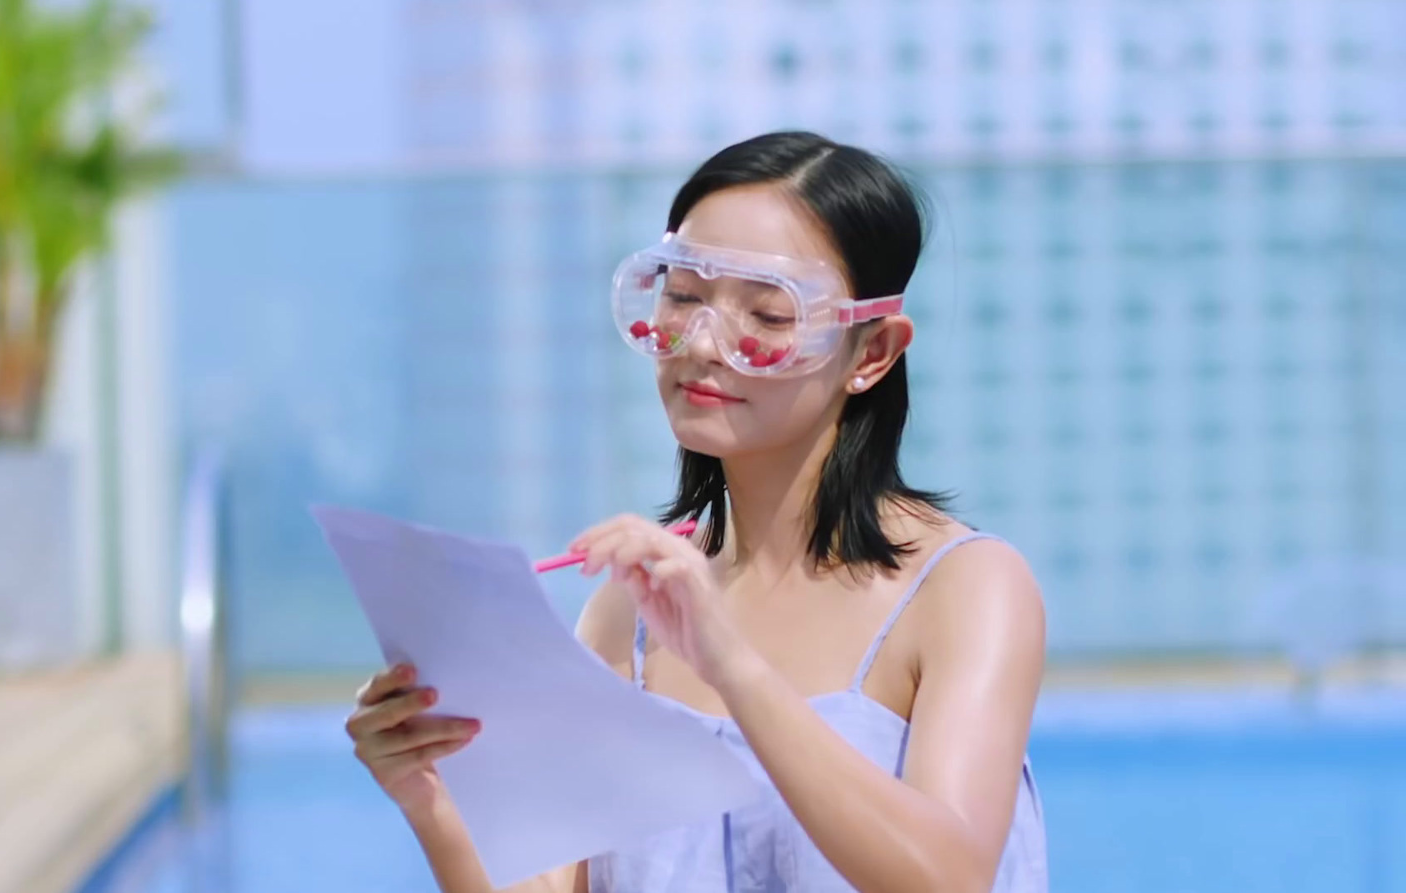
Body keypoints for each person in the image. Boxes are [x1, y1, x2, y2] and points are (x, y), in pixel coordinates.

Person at [345, 131, 1048, 893]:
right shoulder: (628, 611)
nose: (704, 343)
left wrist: (728, 660)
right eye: (681, 296)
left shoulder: (964, 589)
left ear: (872, 351)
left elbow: (947, 876)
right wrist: (436, 796)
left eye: (769, 316)